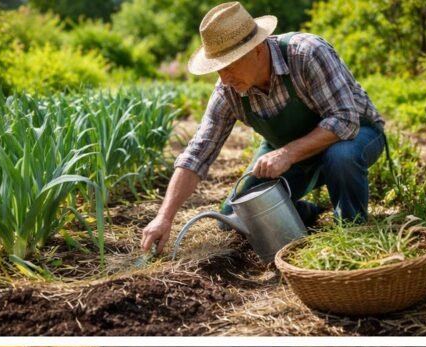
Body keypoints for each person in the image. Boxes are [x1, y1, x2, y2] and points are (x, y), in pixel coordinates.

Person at [141, 1, 386, 255]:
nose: (224, 79)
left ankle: (351, 236)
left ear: (257, 49)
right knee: (236, 217)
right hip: (292, 151)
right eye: (218, 70)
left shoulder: (306, 54)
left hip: (356, 135)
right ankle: (308, 213)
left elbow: (345, 119)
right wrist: (164, 217)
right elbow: (198, 152)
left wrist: (287, 153)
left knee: (340, 156)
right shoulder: (228, 91)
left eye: (229, 66)